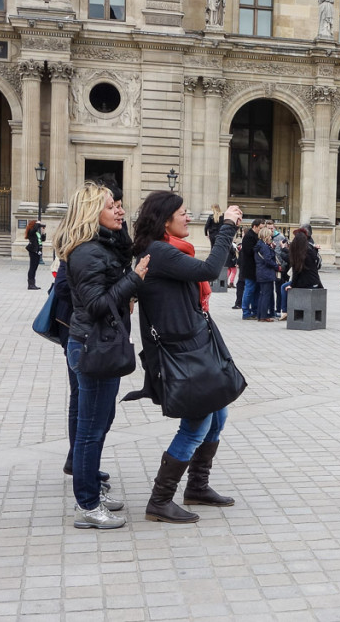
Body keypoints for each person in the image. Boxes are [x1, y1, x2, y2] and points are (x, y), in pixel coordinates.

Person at [126, 192, 243, 524]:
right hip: (181, 352)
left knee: (217, 415)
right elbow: (209, 268)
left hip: (193, 345)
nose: (187, 215)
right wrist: (228, 229)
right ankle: (160, 500)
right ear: (165, 220)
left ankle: (197, 487)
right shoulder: (160, 252)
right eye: (181, 212)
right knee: (196, 426)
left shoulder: (167, 250)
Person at [59, 182, 148, 529]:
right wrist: (134, 279)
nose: (120, 211)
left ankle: (92, 488)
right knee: (89, 432)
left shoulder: (102, 246)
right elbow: (97, 304)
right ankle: (88, 506)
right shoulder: (85, 252)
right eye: (112, 207)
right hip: (92, 346)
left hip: (100, 343)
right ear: (92, 212)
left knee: (98, 424)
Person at [238, 219, 263, 320]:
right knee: (249, 289)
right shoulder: (249, 237)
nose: (261, 230)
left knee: (256, 290)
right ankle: (246, 311)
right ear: (255, 226)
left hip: (256, 268)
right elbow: (249, 252)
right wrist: (258, 248)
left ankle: (255, 310)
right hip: (250, 268)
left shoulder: (257, 237)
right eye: (260, 228)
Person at [254, 230, 279, 322]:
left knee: (262, 294)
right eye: (270, 236)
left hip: (260, 272)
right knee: (266, 295)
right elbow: (268, 260)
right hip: (266, 273)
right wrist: (277, 267)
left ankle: (260, 314)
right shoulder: (264, 247)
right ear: (266, 236)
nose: (271, 237)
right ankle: (264, 316)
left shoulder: (259, 245)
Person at [25, 219, 45, 289]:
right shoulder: (31, 231)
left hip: (37, 251)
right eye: (37, 224)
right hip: (33, 251)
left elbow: (42, 239)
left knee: (35, 268)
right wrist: (38, 223)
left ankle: (33, 284)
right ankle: (31, 284)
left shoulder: (36, 233)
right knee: (32, 268)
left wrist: (43, 232)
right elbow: (34, 229)